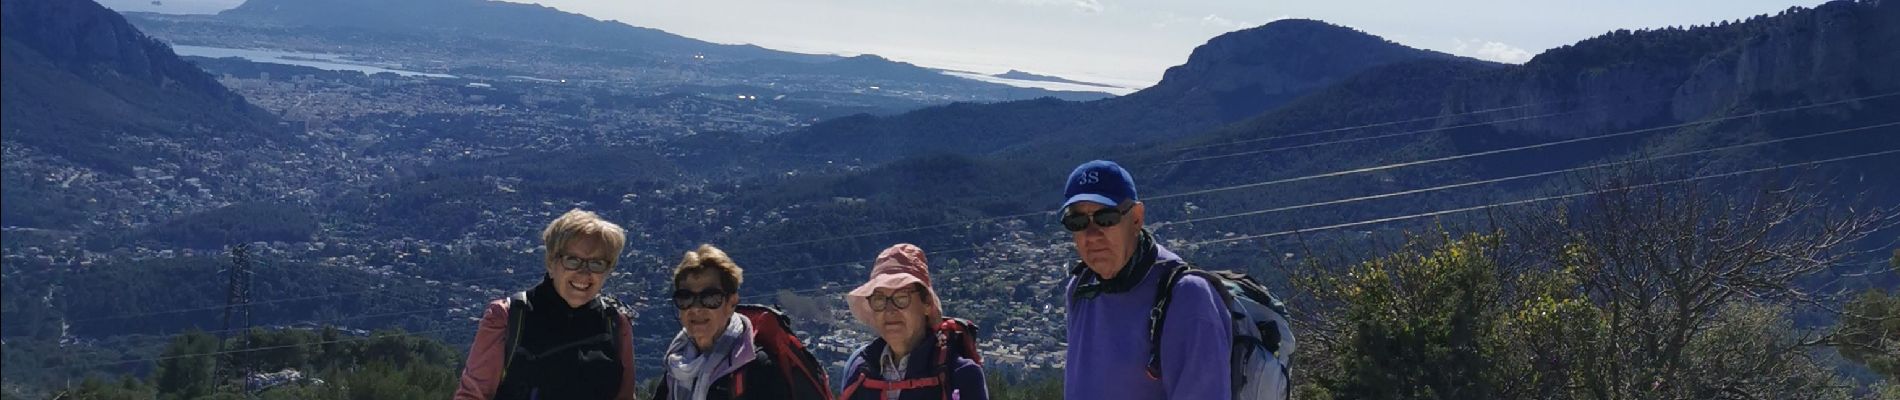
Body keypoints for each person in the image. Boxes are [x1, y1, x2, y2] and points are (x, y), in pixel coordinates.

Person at [1059, 160, 1233, 400]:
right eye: (1077, 222)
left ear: (1137, 218)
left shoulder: (1186, 297)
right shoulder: (1080, 290)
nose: (1091, 235)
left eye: (1105, 218)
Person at [455, 208, 638, 400]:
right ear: (551, 262)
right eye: (573, 260)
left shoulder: (616, 323)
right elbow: (472, 395)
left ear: (608, 270)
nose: (584, 273)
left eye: (597, 263)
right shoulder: (508, 317)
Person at [655, 244, 831, 400]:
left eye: (710, 297)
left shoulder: (758, 369)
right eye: (685, 298)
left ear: (732, 303)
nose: (696, 308)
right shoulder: (678, 364)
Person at [837, 244, 988, 400]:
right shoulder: (859, 367)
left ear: (927, 304)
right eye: (879, 299)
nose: (889, 310)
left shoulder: (961, 375)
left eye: (901, 298)